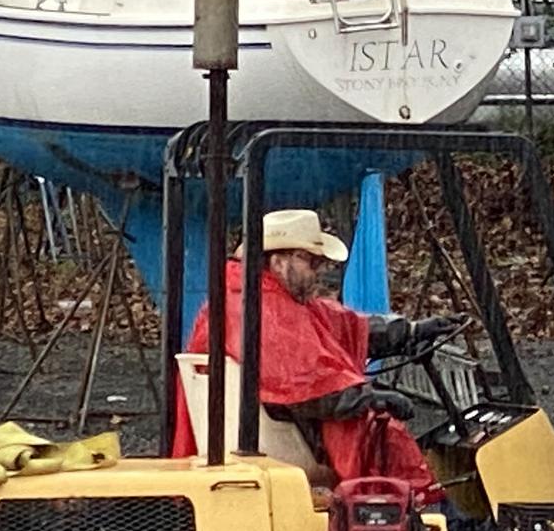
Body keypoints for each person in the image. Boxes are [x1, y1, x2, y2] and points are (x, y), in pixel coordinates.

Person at [170, 209, 462, 501]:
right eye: (311, 261)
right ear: (279, 261)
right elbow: (311, 389)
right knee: (381, 432)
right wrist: (372, 397)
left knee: (371, 418)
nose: (319, 271)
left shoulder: (256, 297)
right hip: (281, 433)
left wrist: (409, 332)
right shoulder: (261, 311)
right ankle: (432, 514)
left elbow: (340, 325)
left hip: (271, 422)